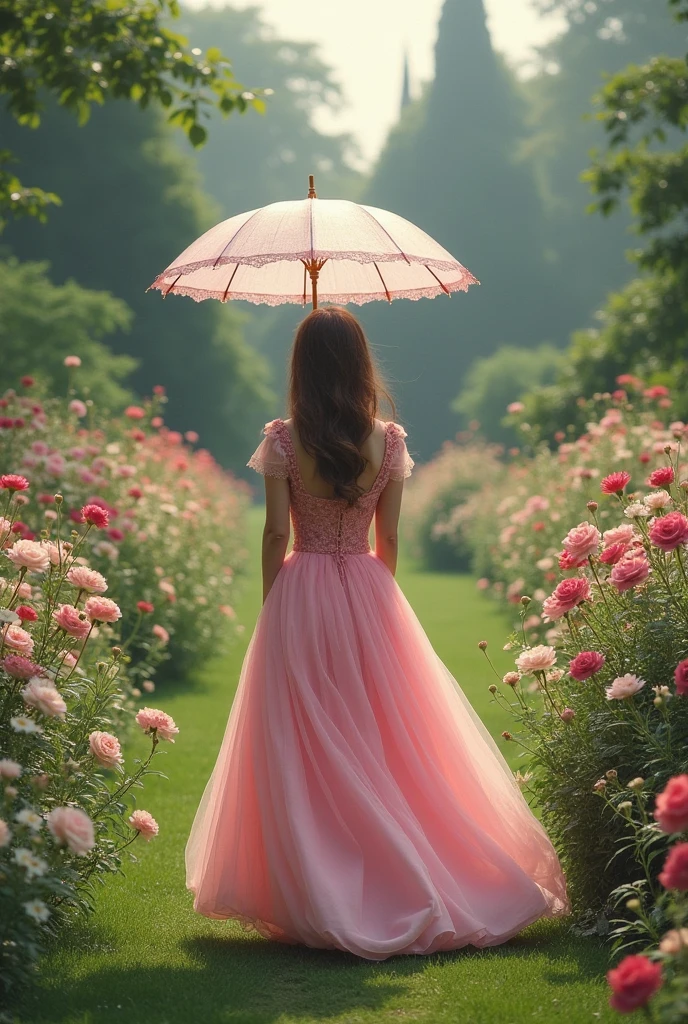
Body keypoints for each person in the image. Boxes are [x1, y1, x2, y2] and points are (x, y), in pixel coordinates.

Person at [185, 306, 569, 960]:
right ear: (361, 364)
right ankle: (406, 869)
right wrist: (374, 599)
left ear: (301, 367)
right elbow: (388, 536)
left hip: (301, 583)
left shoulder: (283, 439)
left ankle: (321, 883)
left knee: (303, 738)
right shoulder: (388, 441)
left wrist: (276, 598)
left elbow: (276, 532)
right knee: (378, 733)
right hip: (366, 585)